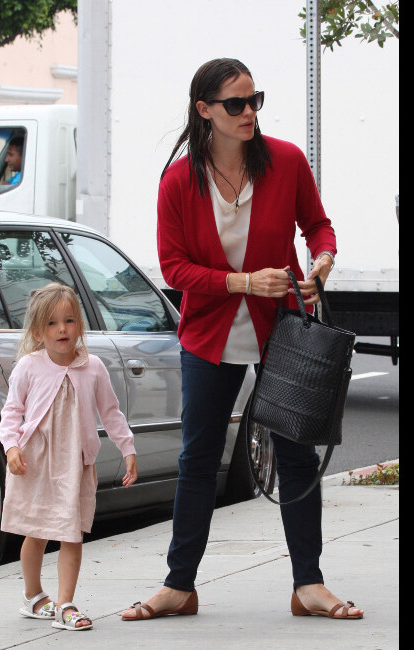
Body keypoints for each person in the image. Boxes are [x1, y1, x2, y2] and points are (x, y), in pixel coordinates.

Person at [121, 58, 363, 622]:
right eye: (236, 104)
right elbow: (174, 269)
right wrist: (241, 282)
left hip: (283, 330)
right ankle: (179, 586)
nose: (249, 111)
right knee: (199, 459)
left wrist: (320, 265)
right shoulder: (179, 180)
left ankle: (309, 585)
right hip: (208, 335)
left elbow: (319, 226)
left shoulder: (285, 161)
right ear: (204, 110)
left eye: (256, 100)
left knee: (297, 455)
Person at [0, 282, 138, 631]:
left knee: (71, 532)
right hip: (35, 462)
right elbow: (11, 412)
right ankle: (33, 596)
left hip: (75, 464)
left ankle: (65, 605)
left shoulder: (93, 368)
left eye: (70, 320)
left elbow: (112, 412)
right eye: (52, 323)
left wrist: (128, 448)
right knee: (36, 533)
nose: (62, 329)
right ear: (37, 331)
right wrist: (11, 447)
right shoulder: (28, 367)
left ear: (80, 325)